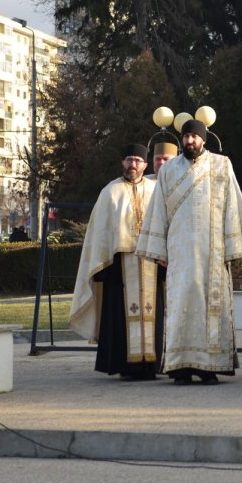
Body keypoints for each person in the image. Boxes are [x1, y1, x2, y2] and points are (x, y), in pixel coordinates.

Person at [136, 120, 242, 385]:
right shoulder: (168, 171)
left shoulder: (222, 165)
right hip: (179, 253)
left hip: (212, 253)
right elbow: (158, 211)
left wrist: (232, 245)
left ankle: (209, 368)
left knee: (209, 308)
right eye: (186, 136)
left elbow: (233, 206)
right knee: (180, 306)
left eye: (194, 136)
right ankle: (180, 368)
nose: (190, 141)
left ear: (204, 139)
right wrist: (159, 249)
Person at [68, 144, 163, 380]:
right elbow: (99, 234)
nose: (133, 164)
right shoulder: (110, 192)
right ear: (122, 162)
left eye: (138, 161)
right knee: (121, 317)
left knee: (156, 315)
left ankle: (153, 365)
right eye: (129, 159)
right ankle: (126, 366)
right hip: (120, 267)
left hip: (152, 263)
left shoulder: (156, 190)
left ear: (145, 165)